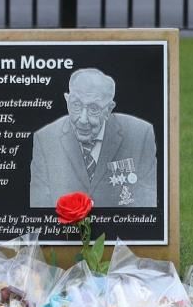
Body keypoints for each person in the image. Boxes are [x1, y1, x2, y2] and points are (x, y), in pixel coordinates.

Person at [29, 68, 158, 208]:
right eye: (76, 105)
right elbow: (40, 208)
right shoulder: (45, 139)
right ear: (67, 101)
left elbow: (147, 204)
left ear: (109, 109)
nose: (83, 119)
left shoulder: (140, 135)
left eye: (94, 108)